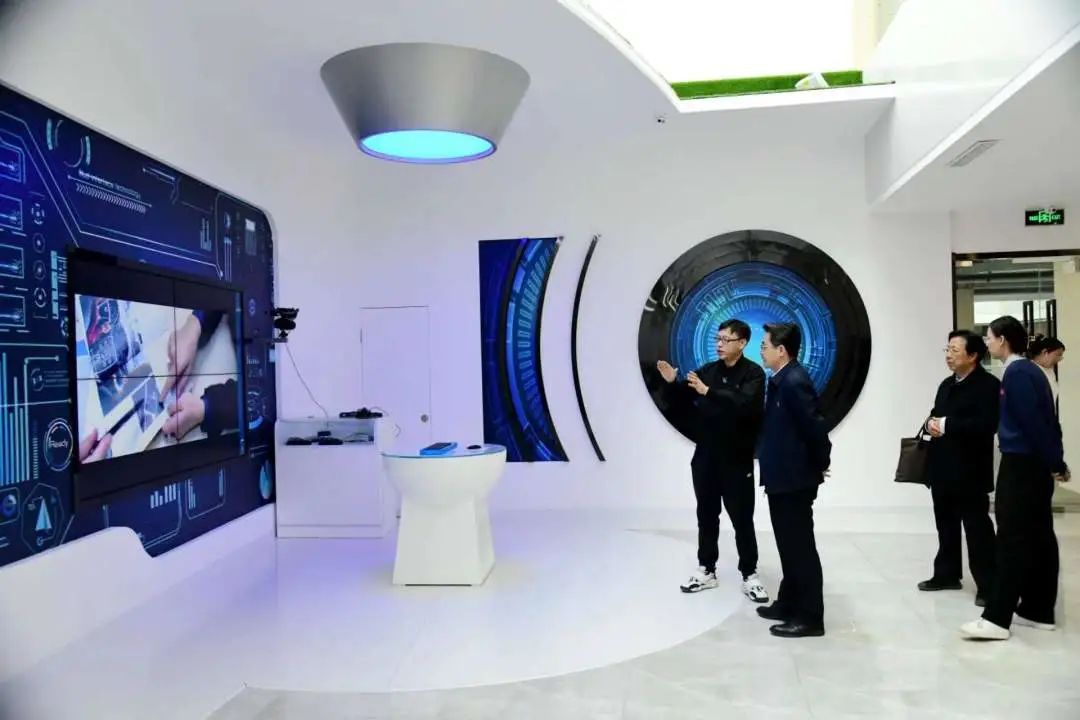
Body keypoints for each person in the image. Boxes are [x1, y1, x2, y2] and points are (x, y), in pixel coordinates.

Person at [961, 316, 1070, 641]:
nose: (987, 343)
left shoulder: (1018, 373)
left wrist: (1054, 462)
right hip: (1032, 464)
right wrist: (1054, 461)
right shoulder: (1030, 372)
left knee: (1011, 540)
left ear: (1003, 340)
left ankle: (997, 618)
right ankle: (1038, 610)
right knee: (1039, 537)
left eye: (989, 337)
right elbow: (1046, 423)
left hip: (1022, 466)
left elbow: (1033, 423)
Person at [656, 319, 769, 602]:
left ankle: (750, 574)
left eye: (725, 340)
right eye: (717, 339)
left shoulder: (754, 374)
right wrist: (671, 383)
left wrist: (709, 392)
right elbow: (682, 400)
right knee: (706, 515)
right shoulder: (708, 370)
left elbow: (744, 405)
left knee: (742, 519)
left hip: (737, 459)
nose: (719, 345)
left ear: (742, 343)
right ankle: (706, 568)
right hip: (706, 457)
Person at [754, 323, 830, 638]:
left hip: (794, 479)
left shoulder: (794, 382)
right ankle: (788, 602)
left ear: (781, 350)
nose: (761, 350)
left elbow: (815, 428)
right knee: (788, 545)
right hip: (782, 476)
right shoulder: (781, 379)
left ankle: (810, 617)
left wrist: (821, 463)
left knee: (800, 548)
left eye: (765, 345)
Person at [920, 331, 999, 606]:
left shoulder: (988, 386)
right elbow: (936, 412)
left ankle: (988, 585)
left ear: (973, 355)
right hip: (942, 467)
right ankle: (947, 574)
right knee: (945, 524)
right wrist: (931, 424)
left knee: (977, 529)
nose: (949, 356)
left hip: (970, 470)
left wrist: (946, 425)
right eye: (948, 350)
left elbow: (987, 424)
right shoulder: (946, 384)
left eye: (955, 350)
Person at [1027, 336, 1065, 413]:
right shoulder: (1027, 371)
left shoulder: (1050, 371)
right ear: (1045, 352)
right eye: (1058, 355)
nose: (1060, 359)